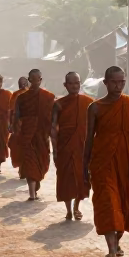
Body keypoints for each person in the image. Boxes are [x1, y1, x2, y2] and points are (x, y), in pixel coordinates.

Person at [82, 66, 129, 257]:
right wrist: (85, 165)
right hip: (103, 163)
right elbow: (89, 139)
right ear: (106, 83)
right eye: (114, 82)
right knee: (108, 203)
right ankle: (111, 249)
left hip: (127, 164)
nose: (118, 86)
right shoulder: (95, 108)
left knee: (127, 205)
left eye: (121, 82)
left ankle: (116, 241)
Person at [51, 72, 92, 220]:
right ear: (65, 85)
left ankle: (76, 207)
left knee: (82, 179)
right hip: (65, 147)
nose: (75, 86)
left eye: (77, 83)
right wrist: (54, 150)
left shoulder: (89, 102)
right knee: (66, 179)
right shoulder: (59, 104)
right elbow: (53, 128)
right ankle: (68, 209)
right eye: (71, 83)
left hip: (82, 147)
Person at [10, 69, 55, 201]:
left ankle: (35, 183)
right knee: (29, 161)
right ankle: (32, 194)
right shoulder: (21, 97)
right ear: (29, 80)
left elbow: (53, 117)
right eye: (32, 79)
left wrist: (53, 132)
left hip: (42, 135)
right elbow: (16, 116)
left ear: (41, 80)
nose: (35, 81)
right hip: (27, 134)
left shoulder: (49, 97)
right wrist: (15, 130)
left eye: (38, 79)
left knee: (42, 161)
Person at [8, 76, 30, 171]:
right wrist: (10, 123)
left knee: (29, 147)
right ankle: (21, 166)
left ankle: (27, 167)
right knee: (17, 145)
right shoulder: (15, 94)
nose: (23, 84)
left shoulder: (32, 93)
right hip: (17, 123)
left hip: (29, 123)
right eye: (21, 82)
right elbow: (11, 110)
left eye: (24, 82)